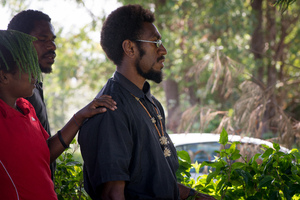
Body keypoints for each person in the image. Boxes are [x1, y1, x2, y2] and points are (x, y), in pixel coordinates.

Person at [78, 4, 216, 200]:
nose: (163, 50)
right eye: (155, 42)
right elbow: (112, 195)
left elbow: (153, 184)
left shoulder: (150, 103)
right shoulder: (110, 110)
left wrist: (195, 196)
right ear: (130, 48)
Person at [0, 30, 116, 200]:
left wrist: (79, 117)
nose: (35, 74)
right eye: (28, 68)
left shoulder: (26, 108)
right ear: (3, 76)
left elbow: (44, 155)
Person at [7, 9, 61, 180]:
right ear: (19, 42)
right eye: (43, 40)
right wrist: (78, 120)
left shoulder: (33, 84)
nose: (52, 46)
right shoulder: (15, 91)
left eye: (52, 40)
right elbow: (36, 155)